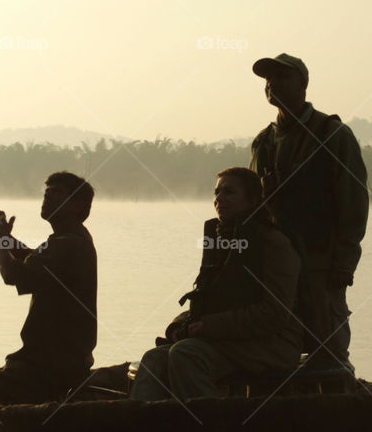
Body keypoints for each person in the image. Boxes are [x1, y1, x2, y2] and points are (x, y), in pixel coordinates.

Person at [129, 167, 302, 401]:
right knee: (153, 359)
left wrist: (208, 327)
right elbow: (206, 299)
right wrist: (179, 325)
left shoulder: (274, 244)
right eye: (216, 192)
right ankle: (141, 423)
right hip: (227, 340)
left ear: (252, 200)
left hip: (273, 344)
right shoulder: (221, 240)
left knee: (185, 354)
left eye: (229, 192)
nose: (219, 199)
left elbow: (274, 313)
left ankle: (213, 423)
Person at [248, 53, 369, 369]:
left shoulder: (333, 135)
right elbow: (253, 209)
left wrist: (344, 264)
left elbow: (354, 206)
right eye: (268, 79)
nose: (272, 84)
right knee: (276, 350)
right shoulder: (263, 142)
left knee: (329, 352)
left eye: (282, 77)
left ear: (303, 85)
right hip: (276, 269)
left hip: (321, 264)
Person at [0, 172, 97, 407]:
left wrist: (0, 237)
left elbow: (11, 274)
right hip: (54, 362)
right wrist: (5, 237)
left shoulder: (67, 244)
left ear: (78, 205)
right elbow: (30, 257)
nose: (47, 198)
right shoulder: (68, 239)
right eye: (46, 194)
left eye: (56, 194)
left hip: (49, 366)